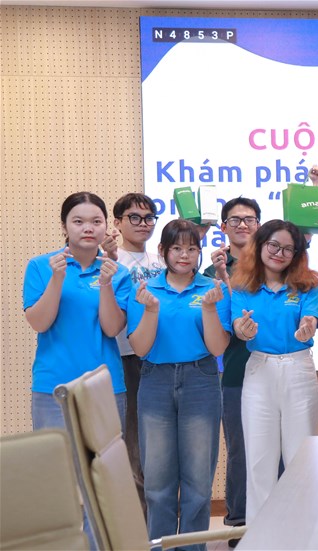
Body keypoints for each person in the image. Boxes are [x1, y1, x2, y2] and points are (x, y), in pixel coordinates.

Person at [126, 219, 230, 551]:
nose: (185, 255)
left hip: (201, 381)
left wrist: (210, 308)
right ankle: (160, 546)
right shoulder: (145, 290)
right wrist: (151, 310)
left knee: (198, 483)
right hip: (155, 381)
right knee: (158, 483)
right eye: (177, 248)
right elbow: (140, 348)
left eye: (192, 249)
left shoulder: (213, 289)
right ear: (163, 251)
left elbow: (217, 348)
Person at [229, 220, 318, 524]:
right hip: (260, 370)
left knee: (300, 459)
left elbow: (310, 318)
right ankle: (261, 536)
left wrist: (308, 325)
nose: (279, 253)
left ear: (296, 254)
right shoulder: (242, 286)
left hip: (299, 369)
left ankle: (303, 534)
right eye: (273, 245)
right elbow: (238, 326)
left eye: (288, 249)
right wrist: (243, 330)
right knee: (259, 461)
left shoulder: (307, 284)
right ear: (260, 245)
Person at [24, 192, 130, 430]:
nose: (88, 228)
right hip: (53, 386)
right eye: (78, 221)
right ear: (64, 226)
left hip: (105, 385)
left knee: (107, 455)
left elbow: (112, 328)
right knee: (55, 455)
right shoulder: (41, 266)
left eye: (96, 221)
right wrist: (57, 278)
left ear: (106, 226)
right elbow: (39, 323)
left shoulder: (118, 272)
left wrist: (105, 284)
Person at [203, 196, 261, 540]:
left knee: (277, 449)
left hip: (274, 369)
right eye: (235, 220)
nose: (243, 225)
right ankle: (239, 522)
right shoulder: (212, 271)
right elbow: (220, 320)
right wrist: (224, 277)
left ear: (259, 225)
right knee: (240, 448)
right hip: (234, 372)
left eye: (249, 219)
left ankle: (278, 517)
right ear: (223, 227)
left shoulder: (272, 261)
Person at [111, 192, 166, 513]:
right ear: (117, 222)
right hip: (126, 358)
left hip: (160, 357)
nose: (143, 224)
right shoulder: (110, 259)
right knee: (133, 444)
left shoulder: (161, 262)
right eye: (134, 217)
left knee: (158, 446)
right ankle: (140, 526)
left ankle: (160, 524)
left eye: (148, 218)